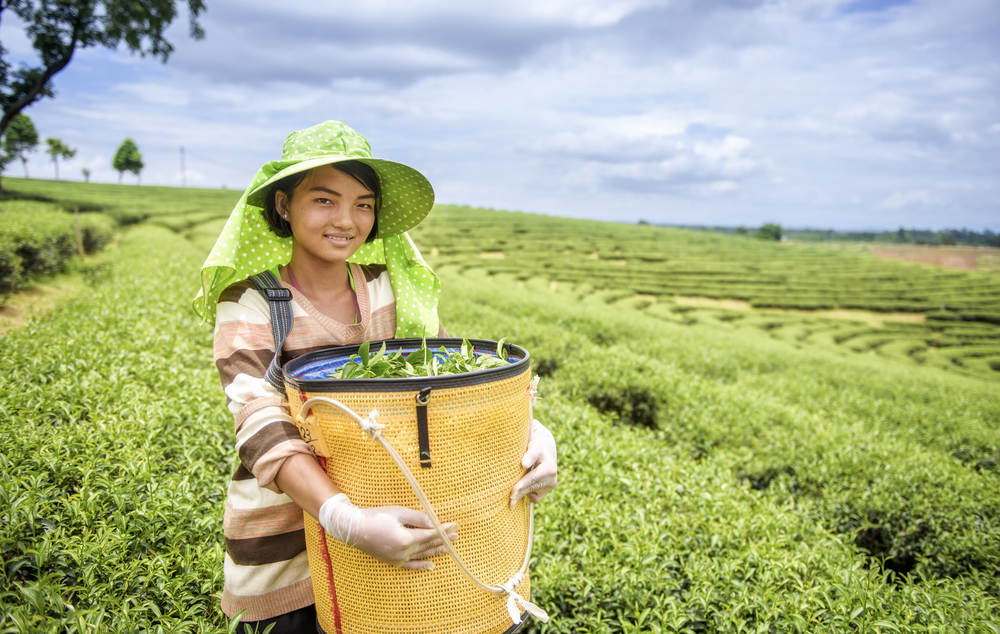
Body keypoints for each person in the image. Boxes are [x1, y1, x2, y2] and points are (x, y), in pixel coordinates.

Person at [193, 120, 558, 633]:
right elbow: (260, 426)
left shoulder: (391, 290)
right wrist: (346, 521)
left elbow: (452, 387)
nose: (347, 220)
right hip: (287, 552)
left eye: (363, 203)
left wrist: (530, 435)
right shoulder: (252, 302)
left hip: (395, 535)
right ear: (282, 205)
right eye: (324, 200)